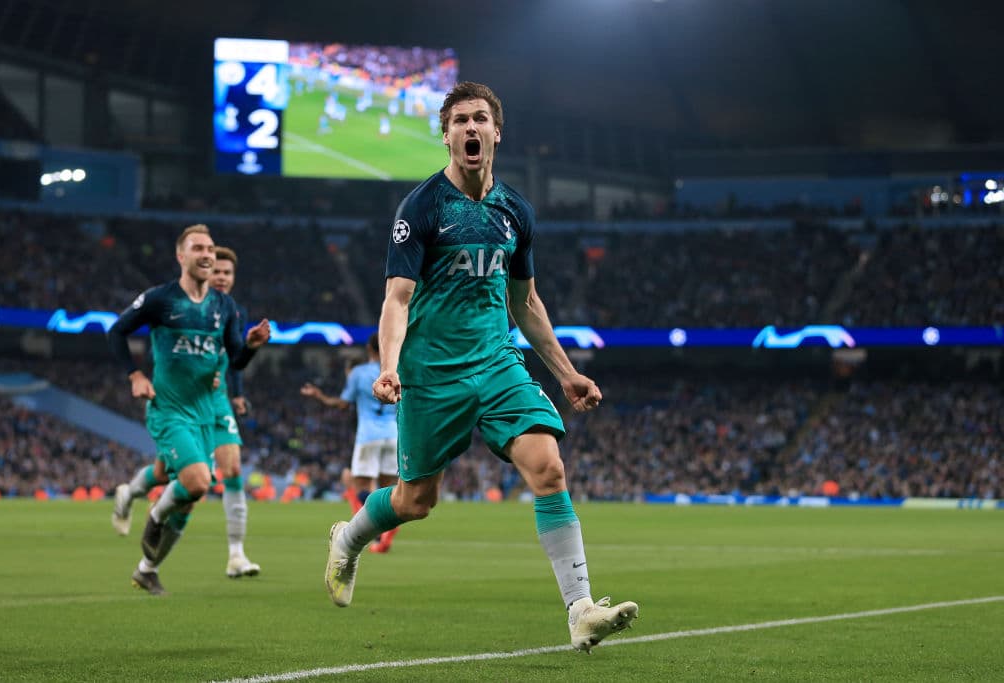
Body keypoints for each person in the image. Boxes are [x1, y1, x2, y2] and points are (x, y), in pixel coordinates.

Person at [323, 82, 638, 651]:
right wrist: (389, 364)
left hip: (496, 361)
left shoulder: (516, 211)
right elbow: (397, 298)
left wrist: (565, 373)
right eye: (460, 120)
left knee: (548, 467)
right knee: (416, 501)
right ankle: (347, 539)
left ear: (497, 132)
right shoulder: (420, 208)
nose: (471, 128)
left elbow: (526, 301)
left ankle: (581, 610)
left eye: (481, 119)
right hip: (433, 371)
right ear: (446, 135)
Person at [107, 225, 270, 595]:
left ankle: (148, 568)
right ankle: (155, 513)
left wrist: (253, 346)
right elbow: (116, 332)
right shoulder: (160, 299)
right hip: (169, 409)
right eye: (198, 247)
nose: (207, 254)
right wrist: (134, 374)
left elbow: (237, 362)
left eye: (210, 248)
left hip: (204, 411)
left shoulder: (224, 307)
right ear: (181, 256)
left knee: (190, 494)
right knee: (197, 481)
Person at [300, 333, 400, 553]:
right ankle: (384, 536)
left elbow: (343, 404)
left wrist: (320, 396)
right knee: (389, 490)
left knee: (361, 489)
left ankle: (373, 534)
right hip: (394, 434)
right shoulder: (398, 371)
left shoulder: (359, 373)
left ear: (368, 348)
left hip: (368, 436)